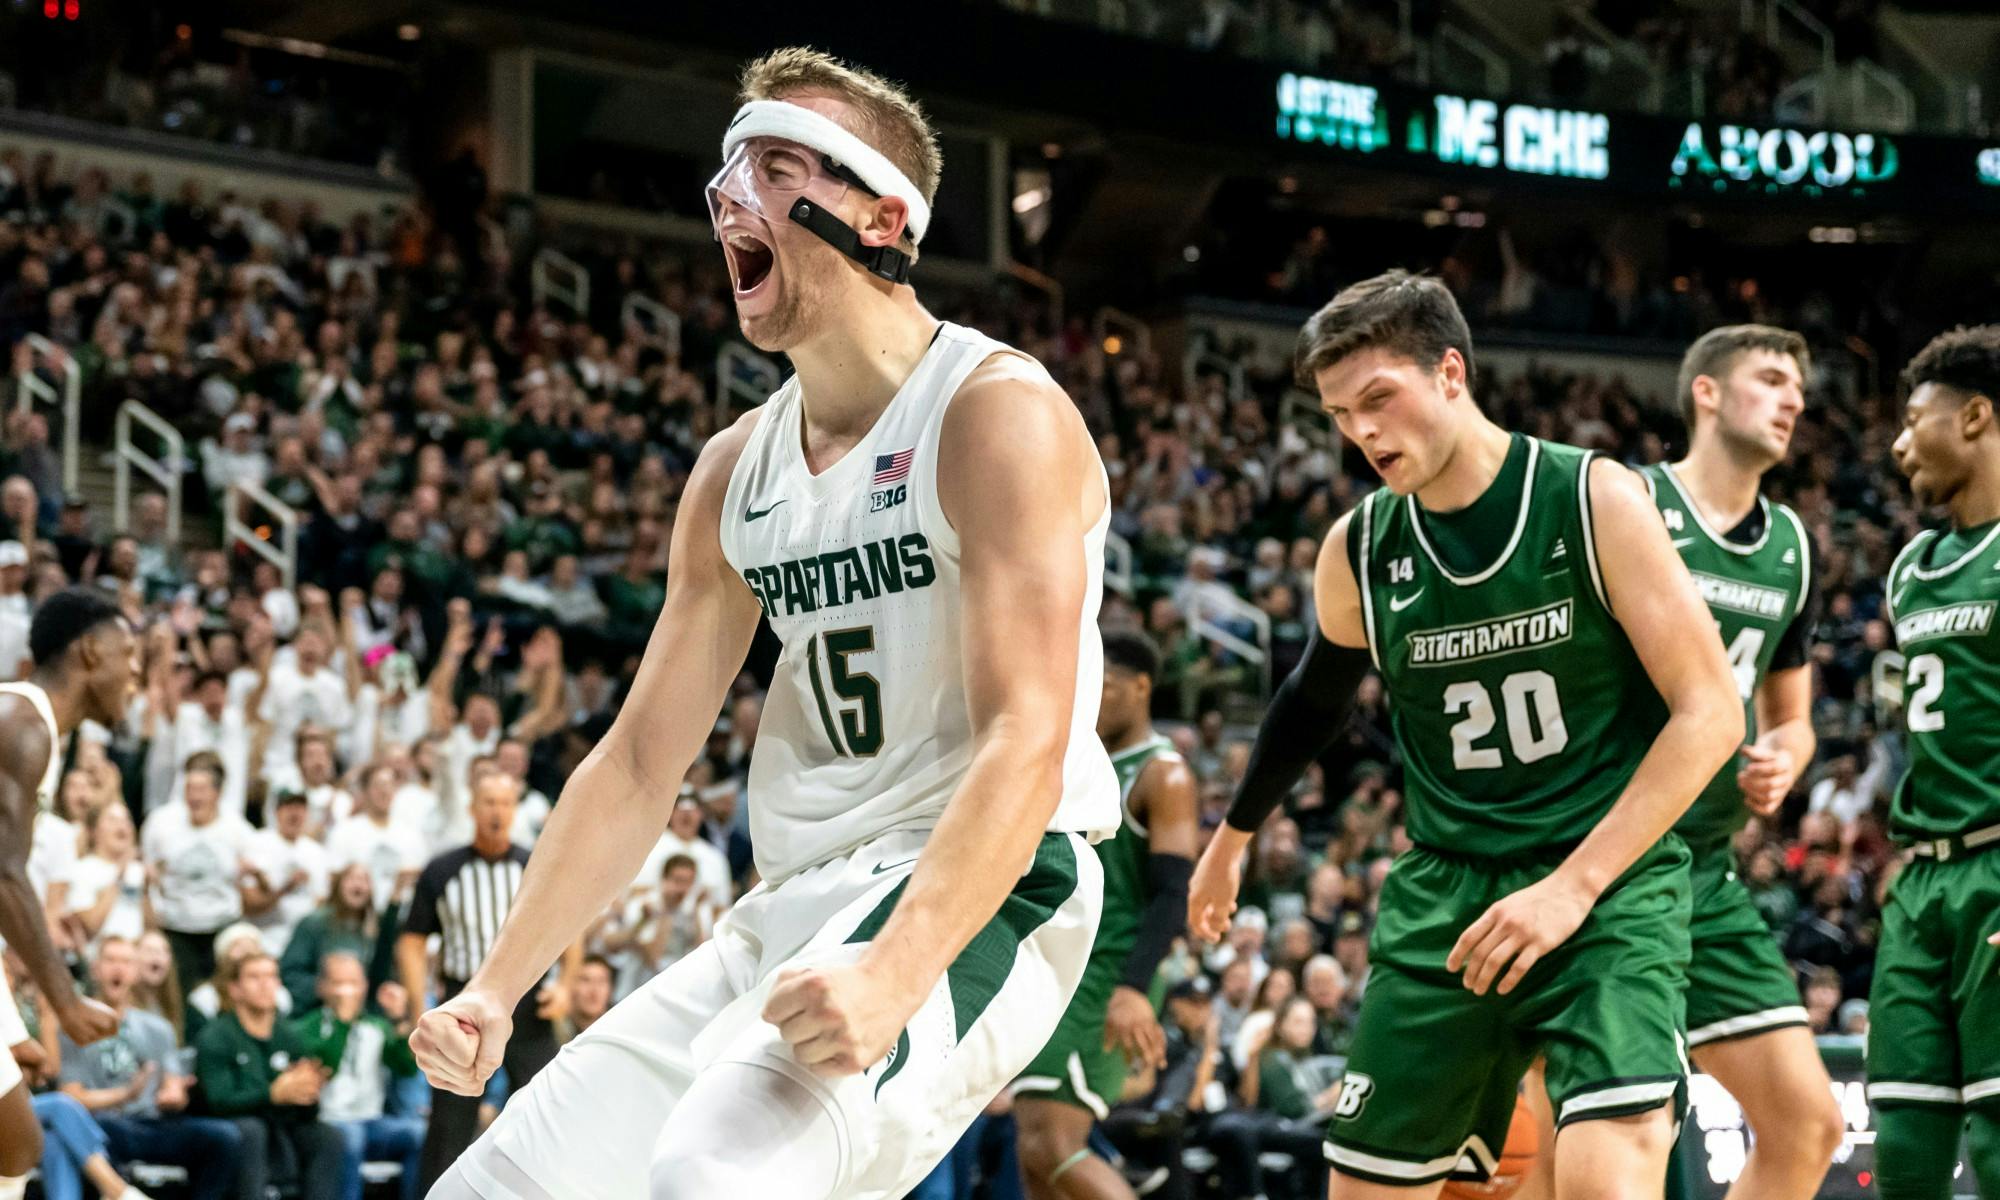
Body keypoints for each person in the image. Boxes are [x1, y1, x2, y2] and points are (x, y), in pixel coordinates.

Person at [413, 47, 1118, 1200]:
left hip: (982, 882)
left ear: (882, 220)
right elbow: (640, 763)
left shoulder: (993, 414)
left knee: (712, 1174)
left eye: (779, 166)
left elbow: (1026, 743)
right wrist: (499, 986)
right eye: (731, 167)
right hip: (792, 897)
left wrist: (894, 972)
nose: (732, 197)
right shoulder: (733, 470)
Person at [1188, 271, 1742, 1198]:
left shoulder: (1592, 498)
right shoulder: (1358, 547)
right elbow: (1311, 700)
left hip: (1605, 886)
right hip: (1447, 897)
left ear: (1451, 373)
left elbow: (1712, 710)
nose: (1361, 432)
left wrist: (1572, 889)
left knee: (1609, 1179)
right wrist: (1231, 837)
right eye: (1338, 414)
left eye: (1378, 399)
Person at [1630, 325, 1844, 1199]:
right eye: (1770, 378)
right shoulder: (1628, 503)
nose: (1794, 397)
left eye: (1800, 385)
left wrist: (1787, 756)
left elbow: (1791, 717)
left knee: (1808, 1123)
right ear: (1706, 394)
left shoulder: (1792, 545)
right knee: (1595, 1145)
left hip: (1706, 873)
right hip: (1600, 858)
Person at [1870, 325, 2000, 1196]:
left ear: (1979, 417)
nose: (1898, 441)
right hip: (1920, 883)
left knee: (1995, 1142)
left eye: (1917, 419)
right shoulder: (1912, 566)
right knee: (1905, 1138)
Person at [1013, 629, 1198, 1200]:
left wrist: (1134, 988)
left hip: (1109, 974)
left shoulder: (1163, 773)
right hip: (1059, 966)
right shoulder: (1082, 765)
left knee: (1055, 1145)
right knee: (1034, 1156)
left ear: (1141, 687)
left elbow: (1173, 893)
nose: (1090, 696)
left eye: (1106, 684)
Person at [0, 588, 133, 1197]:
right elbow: (4, 875)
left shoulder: (32, 725)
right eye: (126, 654)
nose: (135, 672)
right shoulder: (23, 725)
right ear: (88, 651)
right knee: (16, 1143)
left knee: (17, 1145)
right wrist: (66, 1001)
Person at [400, 771, 578, 1188]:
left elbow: (569, 921)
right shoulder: (443, 869)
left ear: (515, 809)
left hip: (528, 1005)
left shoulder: (533, 863)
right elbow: (411, 940)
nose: (497, 811)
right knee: (450, 1121)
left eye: (505, 803)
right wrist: (417, 1006)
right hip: (465, 1007)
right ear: (472, 809)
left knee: (546, 1106)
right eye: (489, 802)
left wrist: (567, 982)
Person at [57, 936, 246, 1200]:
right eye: (111, 960)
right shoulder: (74, 1028)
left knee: (225, 1137)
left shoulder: (158, 1028)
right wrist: (125, 1094)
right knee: (99, 1130)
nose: (118, 969)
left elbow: (172, 1089)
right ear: (96, 969)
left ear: (135, 972)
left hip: (154, 1124)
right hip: (104, 1125)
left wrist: (175, 1096)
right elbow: (70, 1097)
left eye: (125, 961)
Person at [193, 951, 344, 1200]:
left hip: (281, 1125)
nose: (265, 984)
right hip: (232, 1125)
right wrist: (273, 1094)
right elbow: (218, 1101)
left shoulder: (289, 1035)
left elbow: (307, 1111)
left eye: (271, 976)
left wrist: (308, 1092)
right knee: (252, 1130)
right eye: (254, 977)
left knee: (329, 1136)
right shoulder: (216, 1036)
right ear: (234, 989)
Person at [294, 952, 424, 1200]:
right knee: (349, 1138)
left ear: (365, 985)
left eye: (353, 983)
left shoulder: (376, 1026)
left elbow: (406, 1067)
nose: (347, 991)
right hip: (328, 1121)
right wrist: (342, 1024)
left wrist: (398, 1020)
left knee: (418, 1134)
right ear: (321, 987)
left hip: (372, 1120)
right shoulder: (305, 1028)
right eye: (338, 983)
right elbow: (325, 1070)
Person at [141, 756, 254, 990]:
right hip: (176, 926)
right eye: (189, 788)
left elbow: (252, 881)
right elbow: (148, 872)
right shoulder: (161, 824)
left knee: (225, 991)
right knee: (178, 994)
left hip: (222, 924)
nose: (194, 796)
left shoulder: (238, 829)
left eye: (201, 789)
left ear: (218, 793)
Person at [242, 790, 332, 957]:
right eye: (289, 807)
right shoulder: (257, 843)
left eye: (300, 808)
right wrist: (287, 887)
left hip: (304, 946)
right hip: (264, 942)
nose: (295, 813)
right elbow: (249, 906)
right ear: (277, 812)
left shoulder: (316, 852)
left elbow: (321, 902)